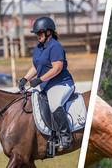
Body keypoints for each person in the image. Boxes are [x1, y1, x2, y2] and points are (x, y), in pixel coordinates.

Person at [19, 16, 74, 149]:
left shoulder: (55, 46)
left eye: (39, 33)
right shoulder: (39, 47)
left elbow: (57, 67)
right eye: (36, 33)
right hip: (46, 86)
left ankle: (66, 136)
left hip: (62, 84)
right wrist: (25, 79)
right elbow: (35, 67)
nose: (37, 36)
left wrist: (39, 79)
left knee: (55, 104)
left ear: (48, 32)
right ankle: (50, 136)